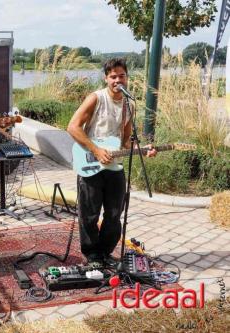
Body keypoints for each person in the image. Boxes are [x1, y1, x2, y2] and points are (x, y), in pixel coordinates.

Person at [67, 58, 156, 267]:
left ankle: (105, 253)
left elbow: (126, 140)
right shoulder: (95, 98)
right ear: (106, 78)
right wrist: (96, 150)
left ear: (127, 77)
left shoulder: (129, 104)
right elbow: (73, 127)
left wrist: (142, 150)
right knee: (89, 214)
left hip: (115, 165)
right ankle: (92, 256)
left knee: (115, 213)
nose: (118, 80)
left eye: (122, 76)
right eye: (113, 76)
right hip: (91, 162)